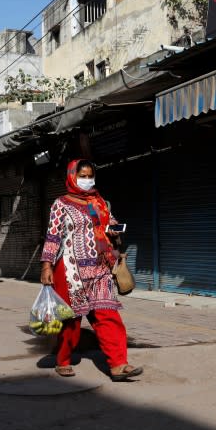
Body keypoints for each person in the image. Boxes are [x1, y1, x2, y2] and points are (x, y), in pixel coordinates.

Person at [40, 159, 142, 382]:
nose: (87, 180)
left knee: (109, 316)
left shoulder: (100, 202)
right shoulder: (61, 204)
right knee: (71, 321)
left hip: (101, 269)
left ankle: (118, 364)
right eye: (82, 176)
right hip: (71, 272)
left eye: (90, 176)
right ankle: (63, 360)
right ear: (72, 177)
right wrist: (46, 265)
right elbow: (52, 236)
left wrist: (114, 231)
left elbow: (110, 223)